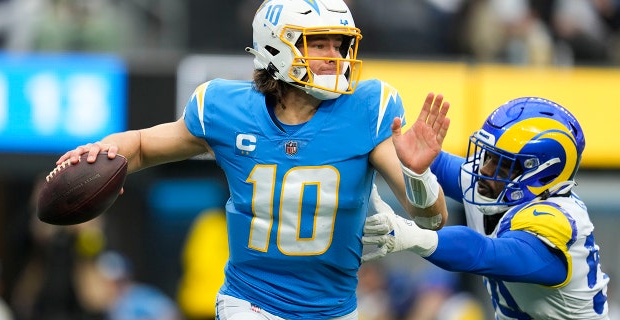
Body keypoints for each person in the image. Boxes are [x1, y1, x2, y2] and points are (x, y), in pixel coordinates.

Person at [53, 0, 452, 319]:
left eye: (339, 44)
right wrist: (101, 151)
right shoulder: (226, 108)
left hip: (334, 309)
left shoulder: (368, 109)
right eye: (320, 44)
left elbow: (430, 219)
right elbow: (141, 145)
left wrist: (417, 174)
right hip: (251, 302)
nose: (335, 56)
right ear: (276, 45)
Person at [362, 97, 611, 319]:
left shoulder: (558, 221)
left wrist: (414, 235)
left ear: (542, 175)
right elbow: (430, 160)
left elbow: (483, 253)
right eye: (489, 156)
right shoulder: (501, 187)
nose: (485, 170)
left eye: (502, 165)